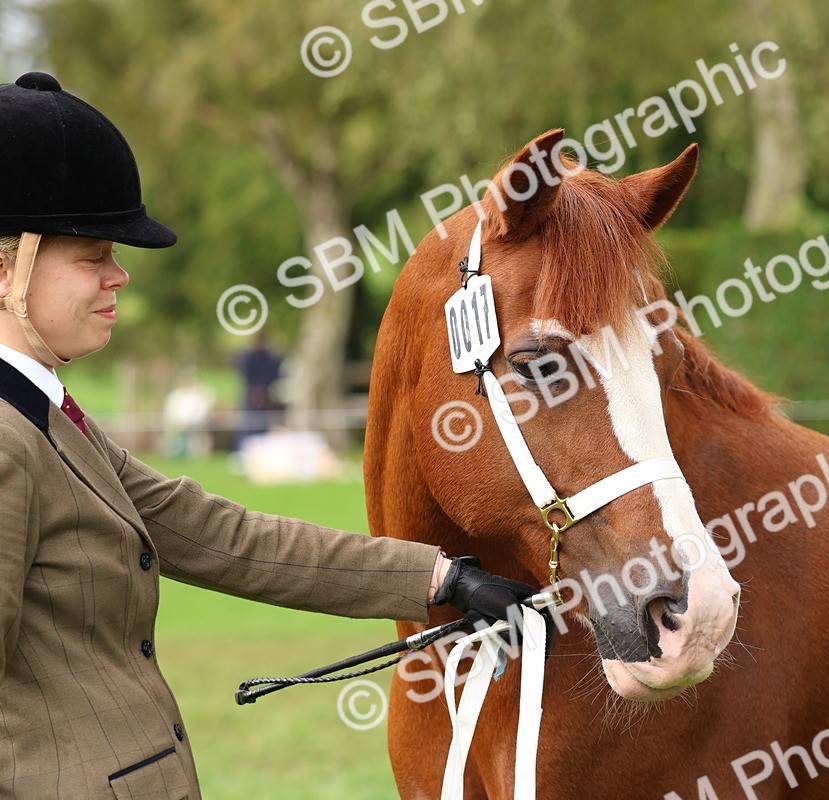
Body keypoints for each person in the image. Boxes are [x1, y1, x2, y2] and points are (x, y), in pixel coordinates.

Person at [0, 72, 537, 799]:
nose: (119, 276)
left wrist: (442, 579)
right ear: (7, 268)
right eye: (93, 255)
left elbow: (226, 538)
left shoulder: (48, 415)